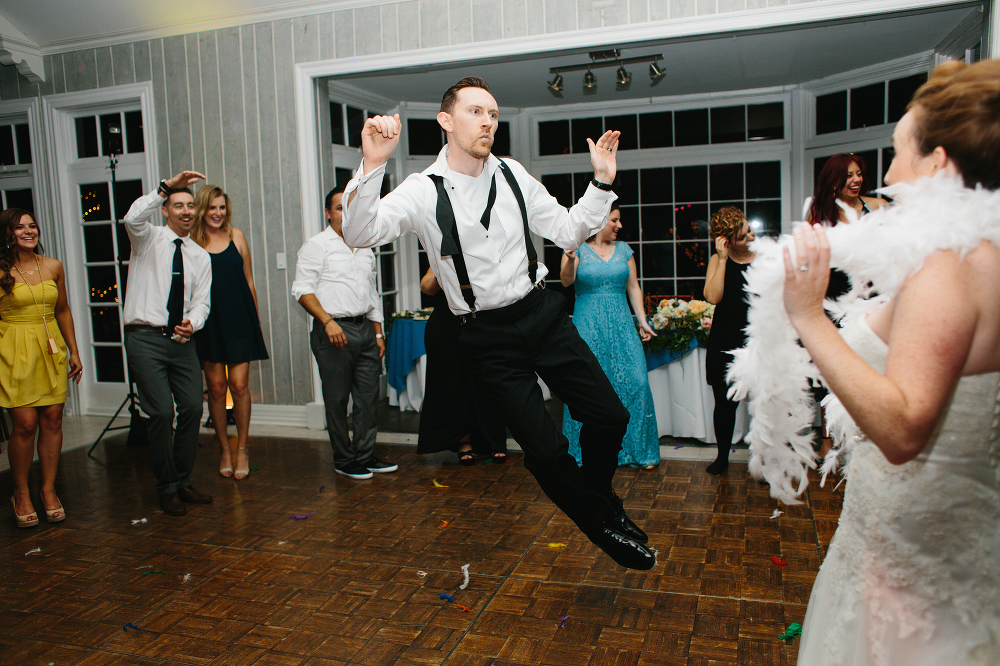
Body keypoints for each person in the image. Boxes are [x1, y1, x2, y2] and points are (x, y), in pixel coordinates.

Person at [734, 60, 1000, 664]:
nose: (885, 172)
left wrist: (806, 316)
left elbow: (905, 426)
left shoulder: (950, 266)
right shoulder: (984, 252)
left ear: (938, 163)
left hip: (916, 554)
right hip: (952, 531)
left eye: (897, 150)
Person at [341, 76, 655, 570]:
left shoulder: (511, 173)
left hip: (543, 315)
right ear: (446, 121)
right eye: (475, 112)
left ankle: (600, 504)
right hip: (486, 338)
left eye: (492, 112)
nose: (488, 120)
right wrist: (373, 165)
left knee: (610, 417)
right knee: (547, 452)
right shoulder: (421, 190)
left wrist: (601, 182)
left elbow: (569, 229)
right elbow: (359, 231)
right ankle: (600, 522)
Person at [122, 171, 213, 517]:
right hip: (145, 339)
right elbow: (132, 216)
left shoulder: (200, 256)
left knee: (191, 407)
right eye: (178, 205)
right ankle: (167, 487)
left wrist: (194, 323)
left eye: (191, 206)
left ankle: (182, 481)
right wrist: (165, 186)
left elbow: (201, 302)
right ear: (165, 209)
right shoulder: (146, 239)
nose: (186, 211)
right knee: (161, 412)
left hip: (180, 340)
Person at [291, 186, 395, 481]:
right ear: (328, 213)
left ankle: (365, 455)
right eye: (339, 208)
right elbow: (301, 289)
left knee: (367, 399)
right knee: (337, 400)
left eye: (349, 208)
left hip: (364, 329)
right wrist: (326, 321)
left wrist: (378, 333)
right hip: (334, 331)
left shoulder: (365, 247)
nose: (345, 213)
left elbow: (371, 293)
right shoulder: (316, 246)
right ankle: (344, 459)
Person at [559, 202, 659, 470]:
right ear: (599, 220)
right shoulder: (577, 247)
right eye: (614, 220)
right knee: (588, 386)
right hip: (588, 325)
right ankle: (584, 454)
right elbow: (566, 281)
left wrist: (642, 321)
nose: (619, 225)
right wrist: (569, 259)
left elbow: (634, 287)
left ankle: (637, 452)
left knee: (635, 382)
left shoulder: (624, 250)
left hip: (621, 325)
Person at [0, 209, 82, 527]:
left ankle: (48, 491)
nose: (28, 231)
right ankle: (21, 493)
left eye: (32, 225)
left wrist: (74, 351)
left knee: (52, 419)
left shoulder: (52, 266)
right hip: (13, 349)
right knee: (24, 424)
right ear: (7, 234)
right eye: (19, 227)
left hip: (50, 348)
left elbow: (62, 310)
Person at [190, 185, 269, 480]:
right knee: (217, 389)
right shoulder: (193, 242)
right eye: (212, 208)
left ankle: (243, 449)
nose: (217, 213)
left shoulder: (237, 236)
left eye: (221, 207)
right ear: (202, 210)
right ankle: (224, 448)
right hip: (208, 322)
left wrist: (255, 322)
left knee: (239, 386)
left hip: (239, 320)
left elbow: (249, 281)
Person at [416, 267, 509, 465]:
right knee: (453, 386)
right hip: (447, 326)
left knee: (489, 381)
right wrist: (445, 268)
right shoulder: (442, 253)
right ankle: (463, 442)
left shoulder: (481, 250)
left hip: (484, 322)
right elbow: (426, 288)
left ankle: (495, 440)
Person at [702, 206, 755, 475]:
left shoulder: (764, 258)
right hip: (725, 340)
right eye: (744, 234)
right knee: (723, 404)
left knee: (764, 403)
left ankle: (765, 461)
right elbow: (713, 297)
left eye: (750, 229)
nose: (752, 236)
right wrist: (722, 259)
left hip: (758, 340)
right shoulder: (717, 259)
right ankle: (723, 456)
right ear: (727, 240)